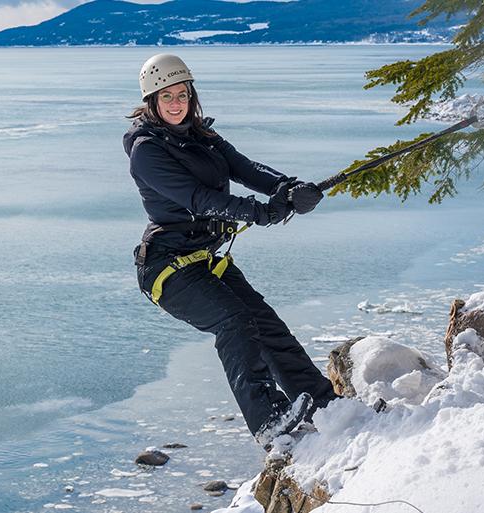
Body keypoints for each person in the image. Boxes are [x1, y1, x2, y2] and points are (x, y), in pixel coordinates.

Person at [123, 54, 337, 448]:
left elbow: (244, 167)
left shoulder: (200, 135)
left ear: (191, 95)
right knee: (235, 322)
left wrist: (288, 187)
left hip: (204, 259)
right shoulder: (146, 151)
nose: (176, 103)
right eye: (166, 96)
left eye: (182, 94)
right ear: (151, 101)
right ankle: (269, 420)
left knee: (266, 326)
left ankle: (325, 408)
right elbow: (198, 199)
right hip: (167, 268)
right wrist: (261, 212)